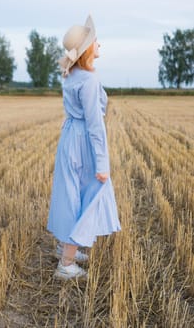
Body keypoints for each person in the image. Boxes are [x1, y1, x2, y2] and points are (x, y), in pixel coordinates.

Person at [47, 14, 121, 280]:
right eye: (95, 40)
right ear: (88, 48)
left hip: (69, 137)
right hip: (83, 140)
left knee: (71, 194)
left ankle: (68, 246)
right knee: (89, 196)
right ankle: (66, 264)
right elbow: (94, 125)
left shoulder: (72, 74)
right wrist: (102, 163)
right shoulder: (88, 80)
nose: (99, 44)